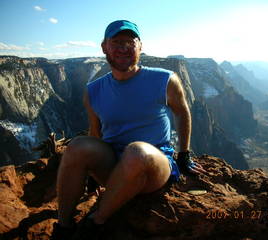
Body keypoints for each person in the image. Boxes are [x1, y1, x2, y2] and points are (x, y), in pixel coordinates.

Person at [51, 20, 204, 240]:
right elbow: (96, 132)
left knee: (137, 151)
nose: (123, 48)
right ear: (104, 47)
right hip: (113, 166)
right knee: (76, 146)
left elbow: (182, 112)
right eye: (116, 42)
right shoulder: (93, 90)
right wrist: (92, 174)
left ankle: (96, 223)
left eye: (130, 42)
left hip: (154, 165)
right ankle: (63, 228)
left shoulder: (165, 79)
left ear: (140, 46)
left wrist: (184, 154)